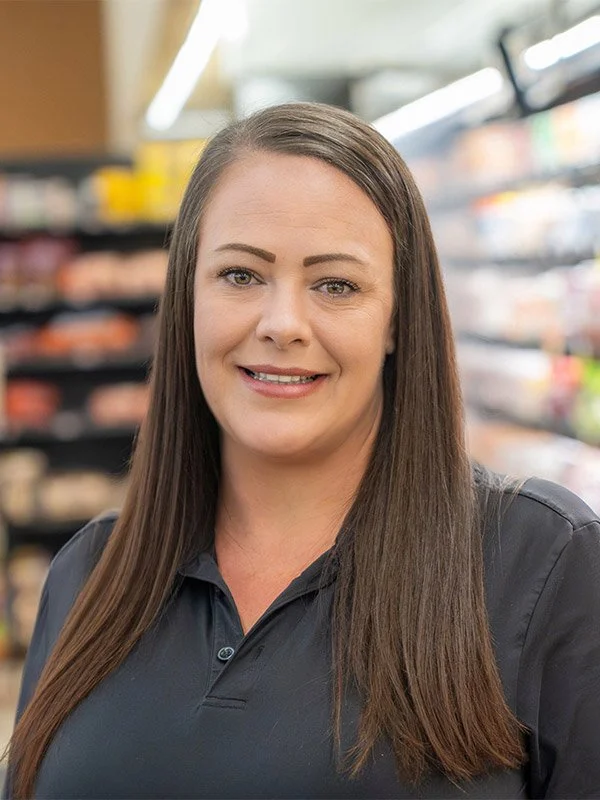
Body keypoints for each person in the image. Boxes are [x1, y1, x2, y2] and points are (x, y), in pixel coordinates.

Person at [3, 102, 600, 800]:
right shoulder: (89, 577)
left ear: (397, 319)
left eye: (336, 285)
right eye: (240, 276)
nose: (282, 324)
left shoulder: (541, 565)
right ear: (187, 298)